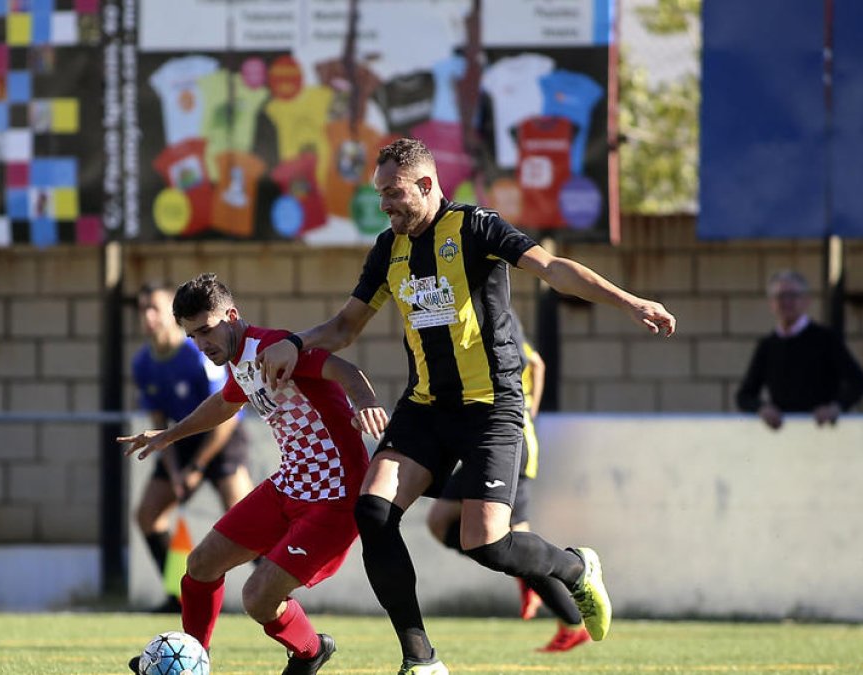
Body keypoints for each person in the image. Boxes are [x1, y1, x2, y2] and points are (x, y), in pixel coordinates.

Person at [256, 137, 676, 674]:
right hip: (426, 407)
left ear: (427, 185)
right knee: (374, 511)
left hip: (493, 407)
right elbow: (344, 326)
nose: (384, 205)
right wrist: (297, 341)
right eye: (379, 194)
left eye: (393, 193)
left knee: (485, 543)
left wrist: (631, 301)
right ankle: (421, 660)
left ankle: (575, 567)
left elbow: (552, 268)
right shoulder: (389, 249)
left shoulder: (475, 227)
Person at [119, 273, 389, 675]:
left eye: (206, 330)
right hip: (289, 485)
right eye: (193, 336)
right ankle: (194, 661)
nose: (202, 344)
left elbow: (345, 370)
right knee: (200, 566)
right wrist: (171, 435)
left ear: (231, 316)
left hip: (333, 498)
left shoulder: (271, 347)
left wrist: (365, 401)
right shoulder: (239, 362)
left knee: (257, 598)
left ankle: (310, 650)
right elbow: (225, 403)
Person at [424, 321, 590, 654]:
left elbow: (537, 363)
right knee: (440, 520)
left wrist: (527, 411)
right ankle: (520, 569)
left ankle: (573, 622)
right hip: (483, 444)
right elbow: (537, 363)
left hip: (509, 442)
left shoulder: (496, 312)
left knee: (514, 538)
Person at [131, 283, 255, 612]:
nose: (148, 316)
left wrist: (197, 468)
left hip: (221, 437)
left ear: (174, 317)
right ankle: (179, 597)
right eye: (143, 309)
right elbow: (160, 422)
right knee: (148, 515)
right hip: (181, 439)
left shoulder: (198, 355)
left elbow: (227, 414)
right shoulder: (143, 363)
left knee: (248, 519)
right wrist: (175, 473)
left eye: (155, 308)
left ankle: (278, 595)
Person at [735, 269, 863, 429]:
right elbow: (744, 396)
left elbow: (859, 382)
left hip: (823, 434)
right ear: (772, 304)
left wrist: (835, 407)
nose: (786, 302)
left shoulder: (826, 339)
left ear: (806, 301)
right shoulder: (768, 345)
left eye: (792, 295)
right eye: (780, 296)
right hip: (783, 436)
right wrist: (762, 408)